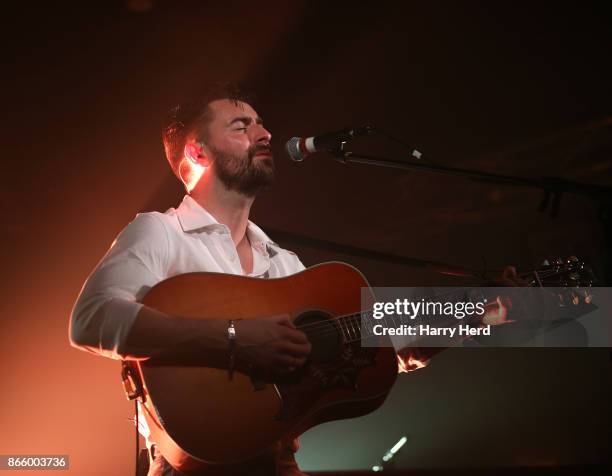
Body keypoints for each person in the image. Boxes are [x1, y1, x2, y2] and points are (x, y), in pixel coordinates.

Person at [70, 84, 313, 475]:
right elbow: (91, 319)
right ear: (197, 152)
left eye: (261, 124)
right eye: (241, 126)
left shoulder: (284, 263)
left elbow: (379, 340)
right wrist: (235, 338)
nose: (264, 134)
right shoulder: (160, 231)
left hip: (279, 463)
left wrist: (434, 319)